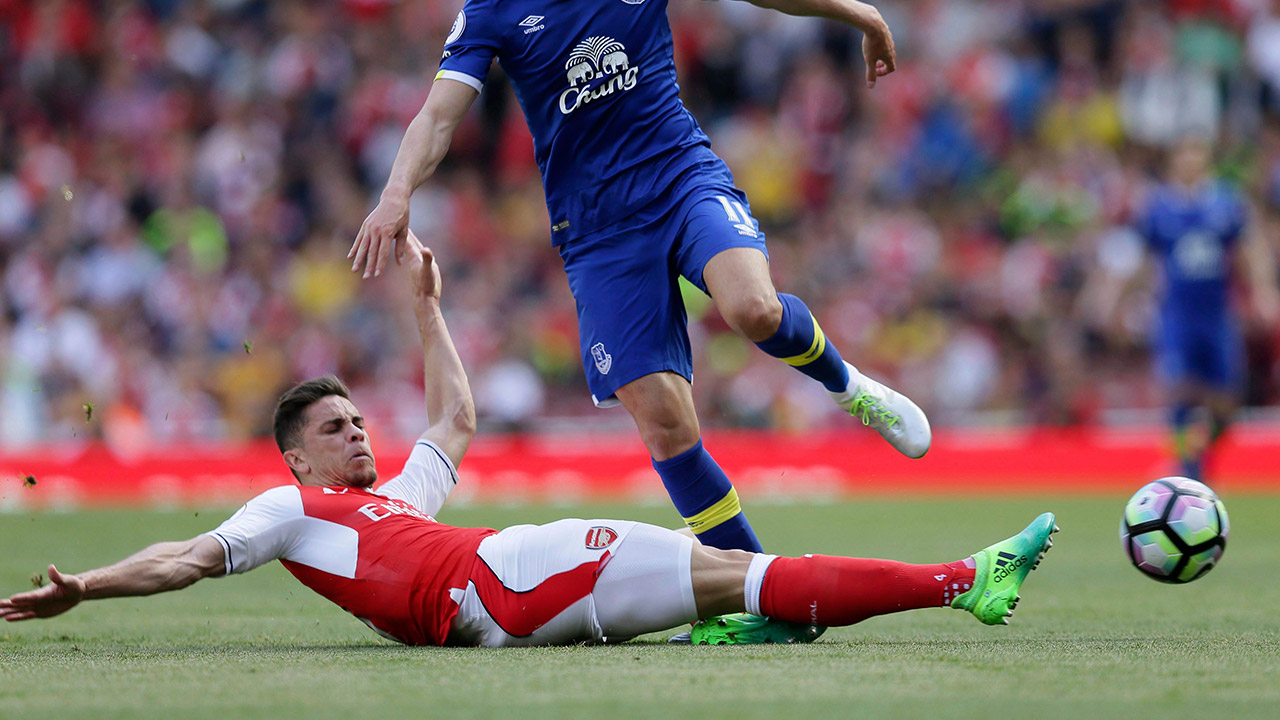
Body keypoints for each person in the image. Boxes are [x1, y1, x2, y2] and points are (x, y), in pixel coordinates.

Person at [1, 235, 1057, 647]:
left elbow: (452, 420)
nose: (360, 433)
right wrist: (84, 587)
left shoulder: (388, 508)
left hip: (506, 589)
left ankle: (941, 584)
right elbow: (184, 558)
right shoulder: (291, 512)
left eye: (359, 417)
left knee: (739, 583)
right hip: (509, 577)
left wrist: (426, 310)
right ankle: (966, 578)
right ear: (296, 459)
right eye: (335, 428)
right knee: (742, 574)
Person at [347, 0, 930, 641]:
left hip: (679, 176)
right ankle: (763, 599)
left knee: (752, 308)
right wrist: (395, 193)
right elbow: (437, 117)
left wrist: (860, 15)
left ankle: (850, 387)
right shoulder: (491, 8)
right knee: (665, 424)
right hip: (597, 232)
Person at [1133, 137, 1279, 482]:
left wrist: (1263, 291)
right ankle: (1188, 473)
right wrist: (1123, 298)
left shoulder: (1226, 203)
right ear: (1173, 160)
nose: (1190, 160)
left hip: (1217, 314)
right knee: (1180, 390)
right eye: (1184, 152)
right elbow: (1144, 259)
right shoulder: (1158, 207)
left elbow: (1249, 249)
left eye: (1196, 153)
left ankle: (1199, 452)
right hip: (1177, 314)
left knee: (1227, 401)